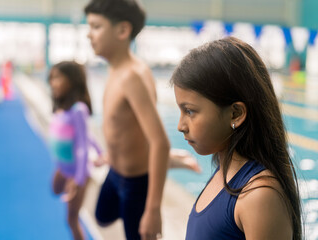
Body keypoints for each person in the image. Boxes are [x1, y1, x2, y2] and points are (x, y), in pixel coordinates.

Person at [84, 0, 201, 239]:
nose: (88, 34)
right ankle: (162, 161)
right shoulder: (115, 68)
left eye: (96, 27)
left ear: (122, 31)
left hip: (136, 183)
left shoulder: (133, 77)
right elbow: (125, 126)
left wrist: (153, 209)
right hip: (115, 170)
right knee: (101, 216)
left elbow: (160, 141)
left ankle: (160, 162)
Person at [171, 37, 302, 239]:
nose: (181, 126)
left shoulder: (258, 195)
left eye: (190, 111)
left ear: (235, 114)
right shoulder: (225, 172)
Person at [48, 61, 103, 240]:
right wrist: (101, 151)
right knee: (55, 189)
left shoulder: (78, 109)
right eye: (52, 78)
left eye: (57, 78)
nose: (52, 82)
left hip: (77, 171)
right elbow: (87, 136)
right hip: (64, 167)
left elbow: (81, 147)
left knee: (71, 219)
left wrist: (78, 180)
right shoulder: (63, 108)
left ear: (72, 81)